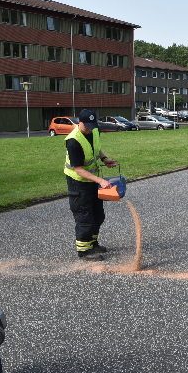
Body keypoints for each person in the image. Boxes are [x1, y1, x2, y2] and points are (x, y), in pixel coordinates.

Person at [64, 109, 118, 261]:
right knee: (84, 216)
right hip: (78, 183)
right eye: (87, 125)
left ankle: (92, 243)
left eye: (92, 125)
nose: (90, 128)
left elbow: (96, 148)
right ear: (79, 122)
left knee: (98, 214)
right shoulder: (73, 141)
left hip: (92, 180)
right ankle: (84, 250)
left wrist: (105, 159)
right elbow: (78, 169)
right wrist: (100, 181)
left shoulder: (94, 130)